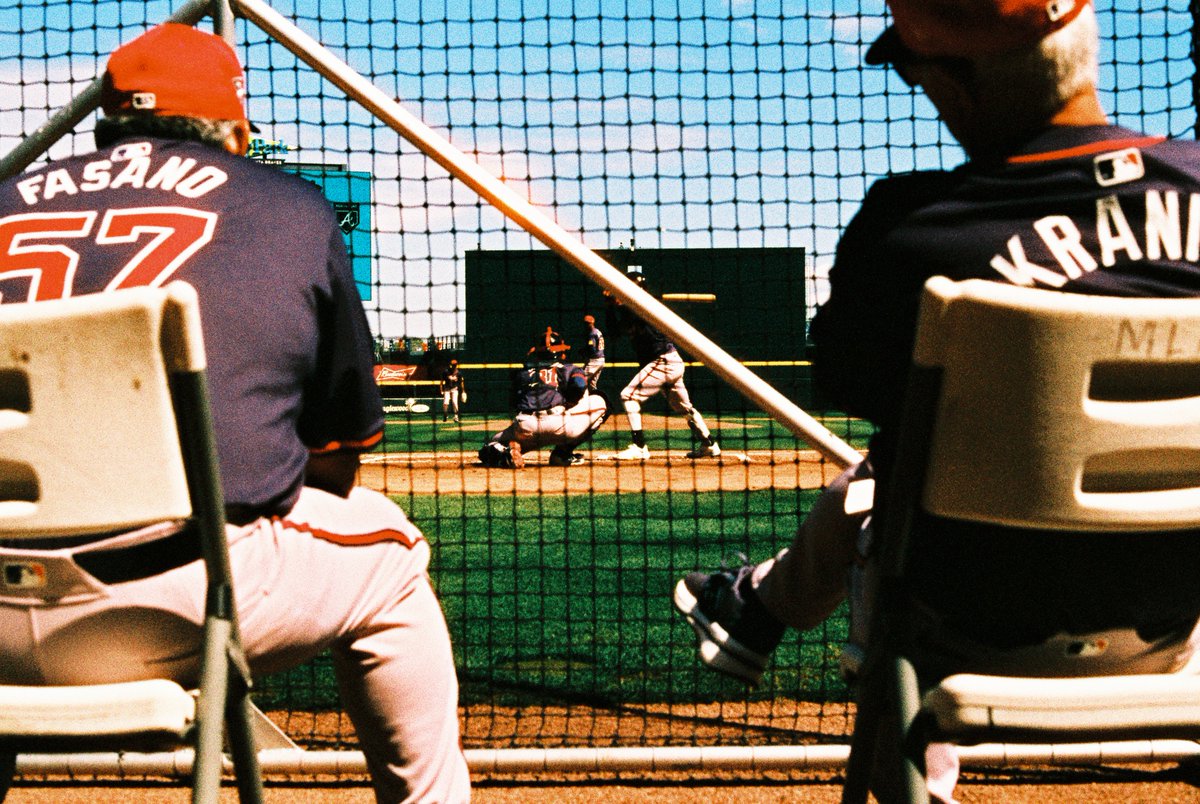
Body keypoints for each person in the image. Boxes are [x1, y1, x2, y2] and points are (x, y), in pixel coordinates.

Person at [673, 1, 1200, 799]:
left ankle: (768, 614)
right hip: (1179, 636)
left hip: (964, 640)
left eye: (921, 73)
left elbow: (849, 385)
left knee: (889, 481)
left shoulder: (909, 229)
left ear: (964, 80)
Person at [0, 23, 470, 803]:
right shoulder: (289, 209)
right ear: (234, 127)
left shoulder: (4, 199)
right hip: (172, 601)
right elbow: (337, 459)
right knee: (392, 555)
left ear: (105, 121)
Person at [605, 270, 720, 460]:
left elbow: (634, 310)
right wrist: (610, 307)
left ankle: (639, 446)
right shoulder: (629, 310)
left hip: (663, 361)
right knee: (684, 407)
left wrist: (620, 302)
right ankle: (709, 444)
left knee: (628, 396)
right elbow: (615, 334)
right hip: (667, 363)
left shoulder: (646, 306)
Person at [479, 327, 609, 468]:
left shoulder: (522, 372)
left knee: (491, 442)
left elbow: (513, 401)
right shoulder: (569, 368)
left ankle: (505, 450)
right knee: (602, 400)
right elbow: (579, 385)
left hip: (526, 427)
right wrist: (569, 402)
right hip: (560, 426)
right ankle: (562, 454)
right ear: (562, 352)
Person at [580, 313, 605, 389]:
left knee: (581, 380)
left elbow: (592, 349)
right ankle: (596, 398)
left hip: (595, 361)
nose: (585, 325)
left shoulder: (592, 334)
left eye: (586, 323)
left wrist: (583, 352)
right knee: (592, 385)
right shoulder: (597, 331)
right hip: (601, 360)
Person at [439, 358, 466, 422]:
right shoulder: (446, 372)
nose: (454, 366)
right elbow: (441, 381)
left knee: (454, 402)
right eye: (453, 365)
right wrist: (441, 390)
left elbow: (461, 382)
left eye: (455, 365)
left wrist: (463, 391)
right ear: (450, 365)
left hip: (454, 389)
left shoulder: (459, 373)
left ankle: (456, 417)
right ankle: (445, 414)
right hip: (447, 389)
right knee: (445, 402)